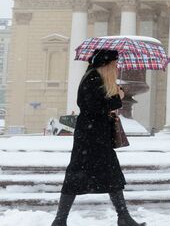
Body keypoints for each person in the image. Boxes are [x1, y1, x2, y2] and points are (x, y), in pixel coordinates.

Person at [51, 49, 145, 226]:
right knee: (78, 175)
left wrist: (115, 94)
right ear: (106, 65)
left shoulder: (97, 79)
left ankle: (123, 217)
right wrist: (118, 98)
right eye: (114, 64)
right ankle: (60, 220)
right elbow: (94, 108)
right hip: (90, 137)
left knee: (111, 174)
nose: (117, 67)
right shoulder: (92, 79)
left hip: (96, 136)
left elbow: (99, 105)